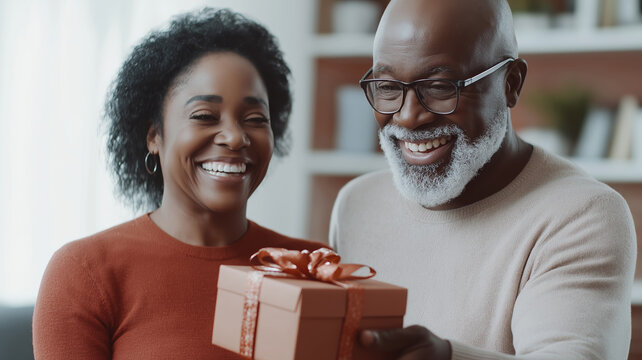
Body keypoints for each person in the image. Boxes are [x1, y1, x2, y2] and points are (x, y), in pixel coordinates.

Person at [330, 0, 637, 359]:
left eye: (440, 86)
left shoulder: (581, 215)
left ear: (511, 83)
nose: (409, 116)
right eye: (387, 87)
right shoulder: (357, 203)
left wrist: (447, 356)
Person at [33, 8, 325, 359]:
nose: (235, 137)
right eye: (204, 116)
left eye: (255, 118)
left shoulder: (314, 268)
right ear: (154, 135)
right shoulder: (86, 272)